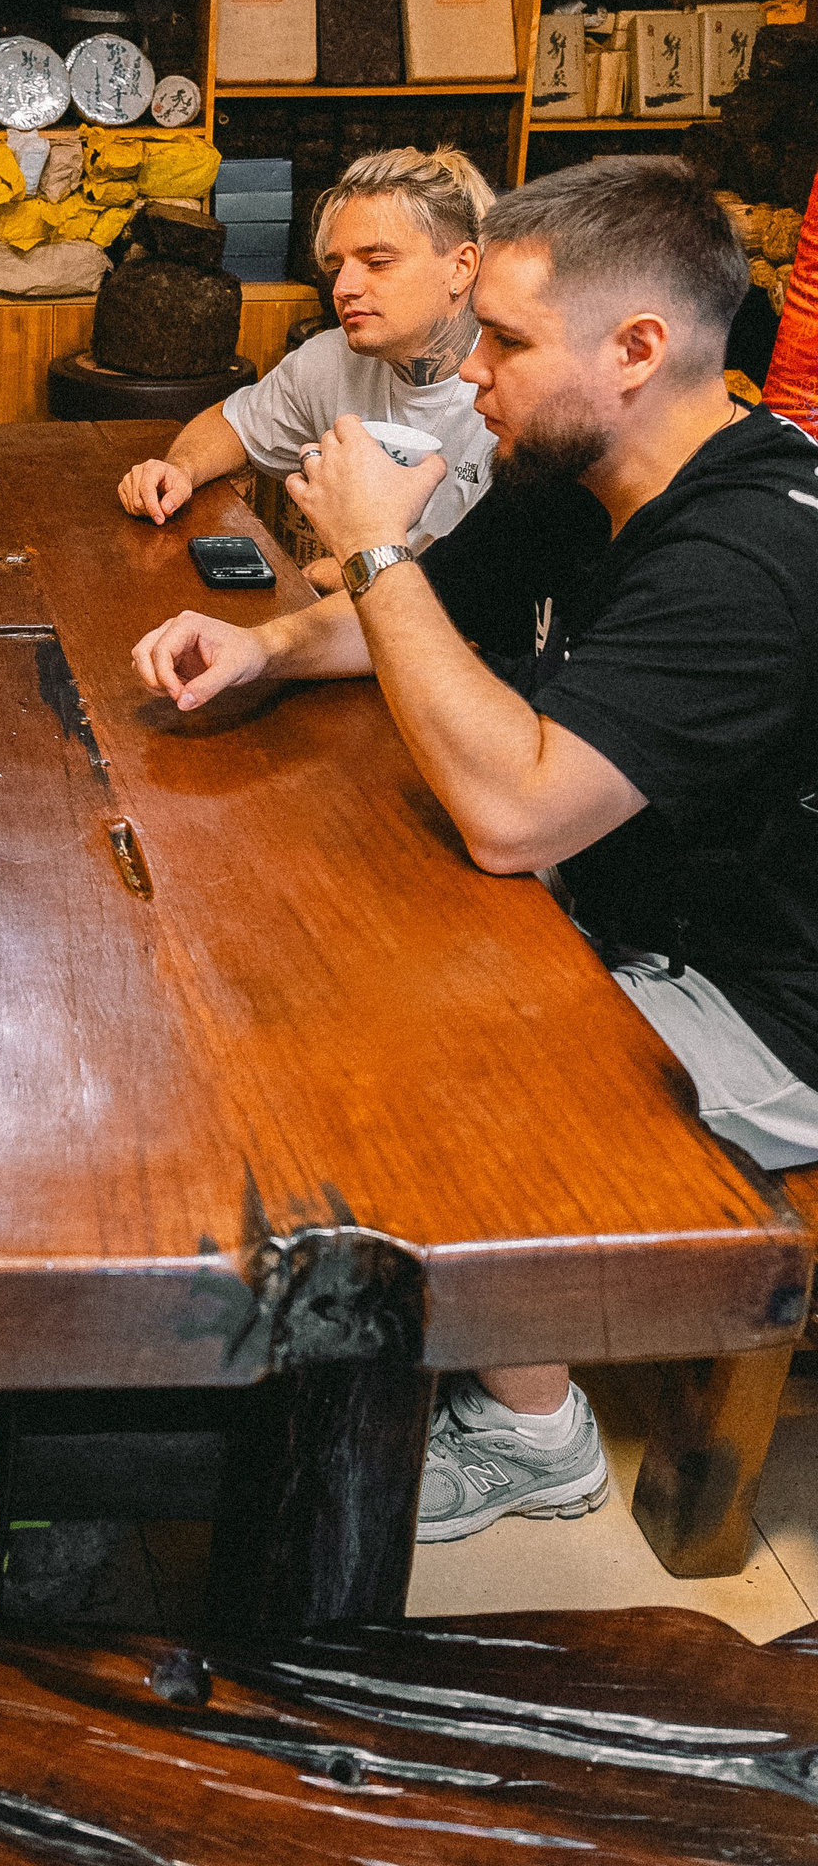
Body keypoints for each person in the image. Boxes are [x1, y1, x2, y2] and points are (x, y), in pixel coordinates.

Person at [130, 155, 818, 1543]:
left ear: (637, 350)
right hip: (620, 898)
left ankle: (533, 1432)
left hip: (765, 1001)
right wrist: (267, 646)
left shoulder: (751, 557)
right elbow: (430, 615)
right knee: (296, 924)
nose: (475, 370)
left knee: (417, 1053)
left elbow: (516, 815)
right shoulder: (583, 466)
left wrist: (371, 549)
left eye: (504, 341)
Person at [117, 147, 496, 589]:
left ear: (461, 267)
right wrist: (179, 469)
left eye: (377, 262)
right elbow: (232, 425)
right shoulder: (329, 358)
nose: (343, 288)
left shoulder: (514, 395)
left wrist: (354, 572)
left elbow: (487, 593)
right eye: (336, 267)